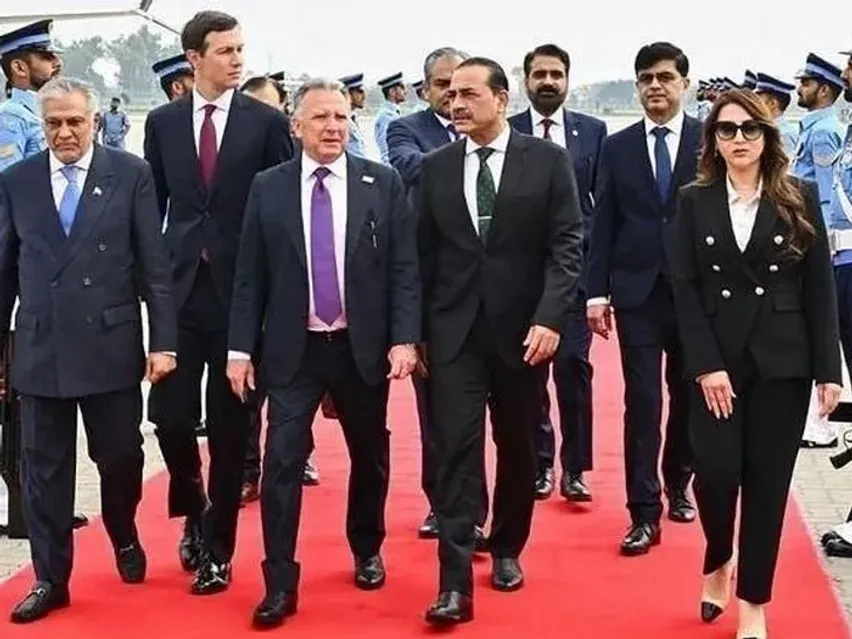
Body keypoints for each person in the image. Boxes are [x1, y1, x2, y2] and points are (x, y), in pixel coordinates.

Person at [226, 78, 420, 628]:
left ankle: (367, 546)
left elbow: (404, 268)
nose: (333, 127)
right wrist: (239, 349)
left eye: (340, 117)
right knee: (282, 461)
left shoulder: (380, 182)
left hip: (361, 347)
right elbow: (250, 275)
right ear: (296, 126)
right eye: (320, 118)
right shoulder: (268, 187)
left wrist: (404, 338)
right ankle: (279, 581)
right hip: (294, 351)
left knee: (370, 453)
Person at [0, 77, 178, 623]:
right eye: (53, 123)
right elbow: (3, 272)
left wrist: (163, 342)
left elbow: (154, 268)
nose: (64, 133)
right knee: (43, 470)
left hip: (110, 345)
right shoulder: (17, 181)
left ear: (95, 121)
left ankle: (122, 530)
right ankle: (51, 578)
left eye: (75, 121)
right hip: (41, 349)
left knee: (121, 457)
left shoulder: (130, 174)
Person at [667, 88, 842, 639]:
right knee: (715, 475)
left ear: (767, 136)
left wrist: (829, 370)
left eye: (749, 128)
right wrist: (705, 365)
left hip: (782, 361)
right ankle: (720, 554)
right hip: (716, 361)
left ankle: (753, 604)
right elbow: (684, 288)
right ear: (713, 141)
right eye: (727, 129)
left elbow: (819, 287)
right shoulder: (693, 200)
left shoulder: (798, 196)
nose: (739, 138)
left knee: (767, 486)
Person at [418, 57, 583, 625]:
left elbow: (567, 245)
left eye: (469, 94)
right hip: (454, 336)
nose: (456, 103)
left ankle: (508, 545)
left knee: (517, 447)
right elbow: (420, 256)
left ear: (502, 99)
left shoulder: (548, 161)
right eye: (451, 95)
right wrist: (413, 334)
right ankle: (454, 584)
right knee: (455, 450)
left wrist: (551, 318)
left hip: (523, 335)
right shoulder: (436, 168)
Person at [143, 10, 294, 595]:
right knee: (170, 418)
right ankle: (194, 505)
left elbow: (281, 210)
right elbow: (152, 208)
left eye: (240, 49)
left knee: (232, 428)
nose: (237, 59)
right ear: (194, 58)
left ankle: (218, 549)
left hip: (241, 297)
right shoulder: (162, 123)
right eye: (225, 50)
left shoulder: (265, 123)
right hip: (181, 293)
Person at [586, 42, 700, 556]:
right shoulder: (618, 146)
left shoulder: (708, 139)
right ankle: (643, 511)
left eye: (665, 77)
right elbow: (604, 221)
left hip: (695, 295)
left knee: (689, 395)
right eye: (646, 78)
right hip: (637, 293)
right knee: (643, 400)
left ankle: (679, 481)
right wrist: (596, 292)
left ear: (684, 84)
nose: (655, 86)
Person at [387, 46, 492, 545]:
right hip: (435, 294)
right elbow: (411, 169)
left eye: (463, 87)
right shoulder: (405, 130)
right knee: (439, 414)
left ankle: (479, 511)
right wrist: (476, 148)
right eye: (443, 86)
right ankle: (443, 502)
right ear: (425, 88)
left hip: (493, 298)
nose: (453, 97)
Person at [509, 43, 607, 502]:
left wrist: (600, 283)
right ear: (526, 80)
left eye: (556, 74)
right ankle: (540, 463)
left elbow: (603, 205)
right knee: (530, 375)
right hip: (521, 279)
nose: (548, 81)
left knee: (573, 368)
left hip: (574, 274)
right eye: (540, 74)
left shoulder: (593, 132)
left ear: (568, 79)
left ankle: (575, 468)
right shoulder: (507, 131)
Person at [0, 20, 61, 172]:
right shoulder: (10, 117)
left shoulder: (41, 113)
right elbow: (5, 178)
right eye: (46, 57)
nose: (58, 63)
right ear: (19, 68)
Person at [373, 72, 405, 164]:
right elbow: (386, 149)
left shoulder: (394, 113)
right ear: (392, 92)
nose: (405, 91)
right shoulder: (386, 116)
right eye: (402, 88)